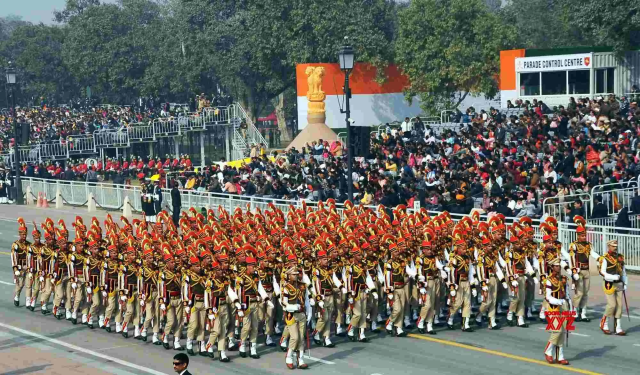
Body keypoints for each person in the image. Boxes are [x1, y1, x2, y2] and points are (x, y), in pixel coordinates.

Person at [543, 258, 570, 365]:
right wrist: (559, 302)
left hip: (563, 306)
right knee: (557, 330)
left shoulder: (563, 278)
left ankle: (560, 356)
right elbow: (548, 297)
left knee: (562, 331)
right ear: (551, 267)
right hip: (552, 307)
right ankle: (548, 351)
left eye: (559, 266)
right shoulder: (548, 280)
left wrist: (570, 306)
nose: (558, 268)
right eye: (556, 266)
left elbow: (567, 294)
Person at [599, 240, 628, 336]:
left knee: (619, 305)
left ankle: (618, 327)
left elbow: (623, 271)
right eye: (612, 246)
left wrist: (625, 282)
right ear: (608, 246)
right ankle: (604, 323)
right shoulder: (604, 258)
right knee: (611, 305)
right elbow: (602, 272)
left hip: (619, 283)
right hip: (609, 284)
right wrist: (612, 277)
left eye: (616, 246)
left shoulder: (620, 257)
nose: (615, 247)